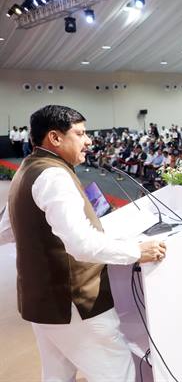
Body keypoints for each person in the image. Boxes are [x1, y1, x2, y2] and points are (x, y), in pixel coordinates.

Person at [0, 105, 166, 381]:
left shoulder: (26, 170)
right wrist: (136, 251)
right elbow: (80, 245)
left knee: (57, 374)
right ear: (54, 138)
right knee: (116, 373)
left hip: (40, 300)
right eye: (80, 133)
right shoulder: (54, 176)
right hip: (74, 303)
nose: (88, 140)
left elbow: (6, 229)